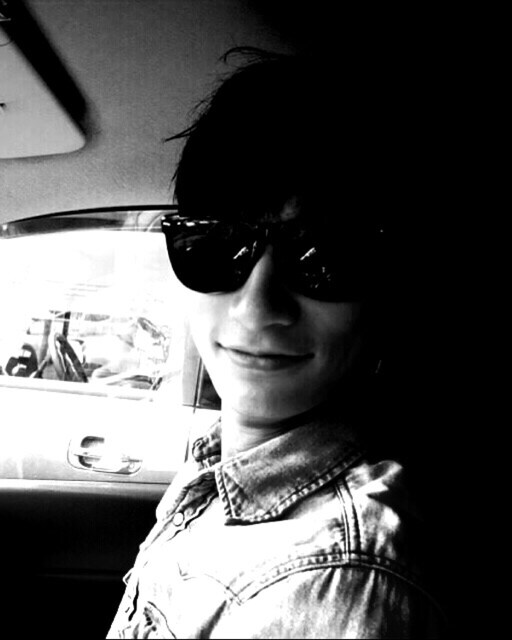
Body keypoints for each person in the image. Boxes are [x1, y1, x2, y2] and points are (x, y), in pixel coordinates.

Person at [107, 48, 446, 638]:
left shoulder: (330, 582)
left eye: (325, 258)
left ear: (388, 295)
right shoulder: (224, 467)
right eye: (216, 245)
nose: (257, 307)